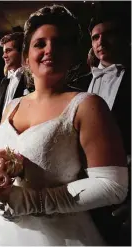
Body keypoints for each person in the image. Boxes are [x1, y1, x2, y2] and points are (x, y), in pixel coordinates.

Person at [0, 5, 128, 246]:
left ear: (72, 54)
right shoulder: (13, 106)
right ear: (26, 57)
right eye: (40, 44)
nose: (50, 50)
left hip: (60, 233)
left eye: (60, 43)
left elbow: (113, 185)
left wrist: (34, 202)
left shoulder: (86, 105)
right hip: (0, 228)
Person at [74, 11, 131, 246]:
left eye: (108, 35)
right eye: (95, 37)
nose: (101, 42)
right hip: (79, 183)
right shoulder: (78, 82)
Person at [0, 32, 32, 141]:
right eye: (4, 51)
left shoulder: (33, 80)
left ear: (22, 51)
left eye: (8, 51)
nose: (4, 55)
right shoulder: (4, 82)